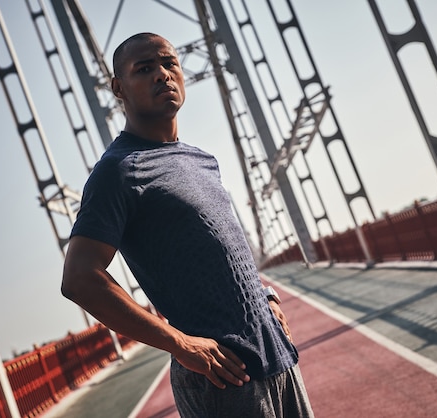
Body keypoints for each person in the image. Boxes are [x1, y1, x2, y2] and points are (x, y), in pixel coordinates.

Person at [61, 32, 314, 417]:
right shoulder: (119, 170)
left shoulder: (202, 160)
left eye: (169, 63)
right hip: (221, 380)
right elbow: (79, 278)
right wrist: (180, 344)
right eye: (144, 69)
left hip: (276, 355)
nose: (162, 75)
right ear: (118, 87)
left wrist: (264, 296)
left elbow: (220, 247)